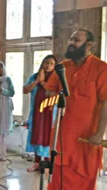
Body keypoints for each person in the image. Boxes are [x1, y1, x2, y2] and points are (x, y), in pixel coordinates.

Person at [44, 29, 107, 190]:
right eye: (71, 39)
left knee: (82, 180)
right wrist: (55, 96)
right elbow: (49, 91)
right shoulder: (62, 67)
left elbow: (105, 103)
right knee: (57, 178)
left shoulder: (101, 68)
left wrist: (99, 133)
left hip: (85, 139)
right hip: (62, 136)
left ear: (89, 45)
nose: (71, 43)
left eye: (76, 40)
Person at [23, 55, 57, 172]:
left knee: (48, 137)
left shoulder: (56, 79)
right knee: (36, 135)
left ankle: (47, 163)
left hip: (50, 114)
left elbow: (54, 94)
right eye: (46, 62)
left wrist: (42, 83)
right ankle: (36, 163)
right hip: (36, 113)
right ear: (42, 63)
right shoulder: (34, 76)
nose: (48, 65)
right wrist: (37, 81)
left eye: (51, 64)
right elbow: (25, 90)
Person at [0, 61, 15, 161]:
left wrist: (1, 90)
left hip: (5, 108)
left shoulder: (7, 79)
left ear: (3, 69)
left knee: (3, 133)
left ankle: (2, 155)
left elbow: (12, 92)